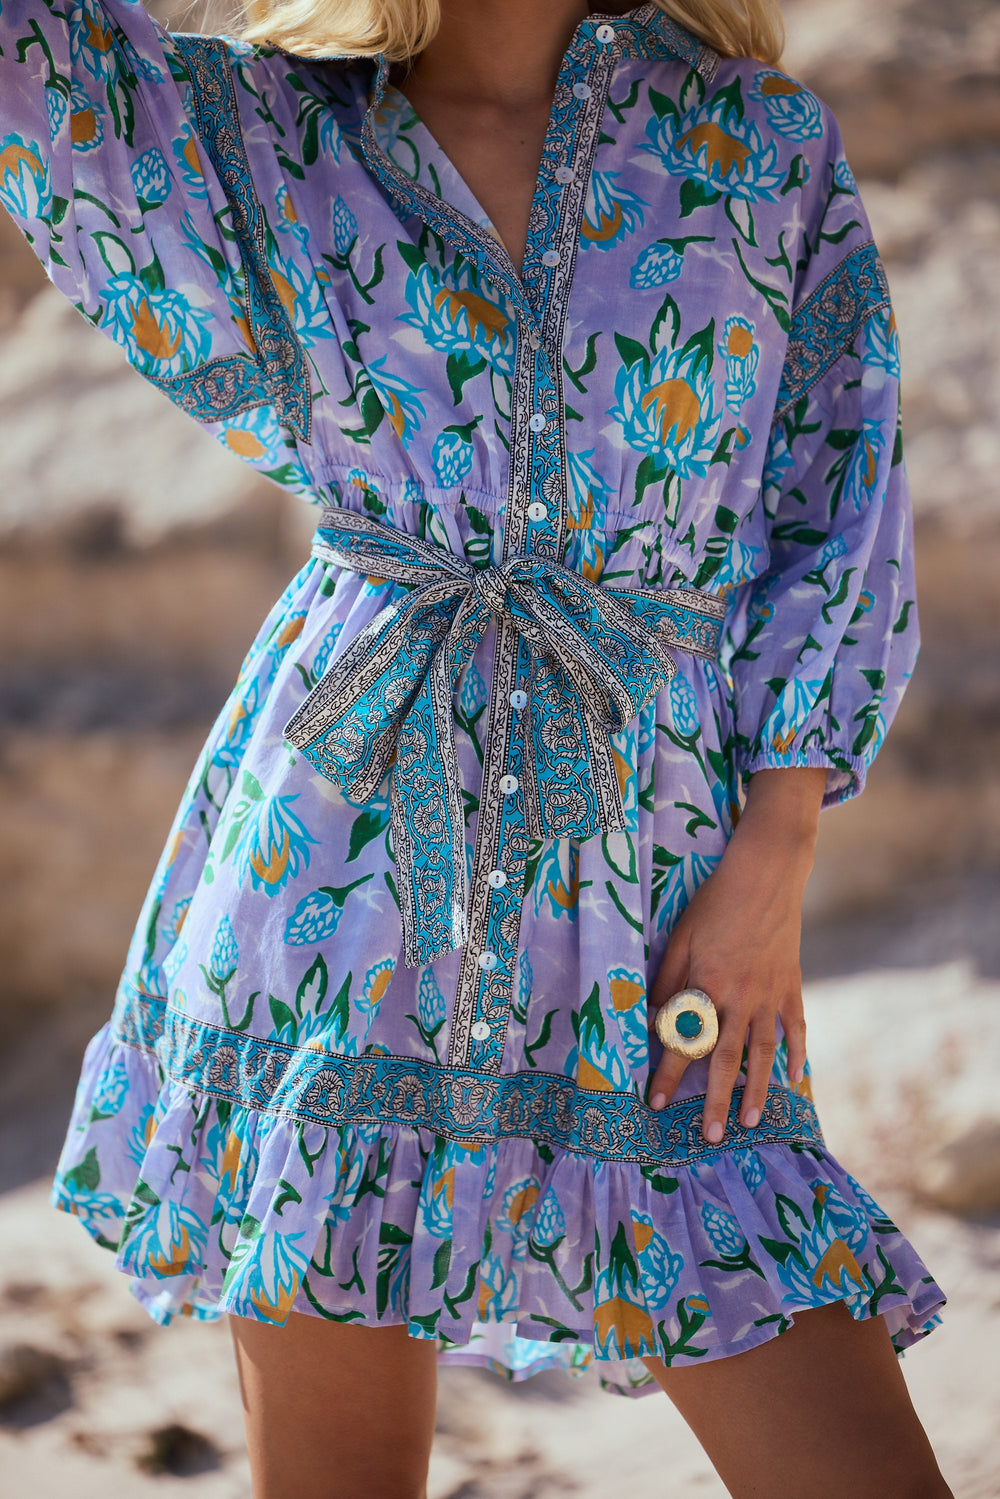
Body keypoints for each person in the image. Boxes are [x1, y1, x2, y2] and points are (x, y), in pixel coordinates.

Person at [0, 0, 952, 1493]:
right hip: (333, 884)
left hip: (655, 883)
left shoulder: (754, 143)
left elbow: (837, 505)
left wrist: (778, 851)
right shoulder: (266, 133)